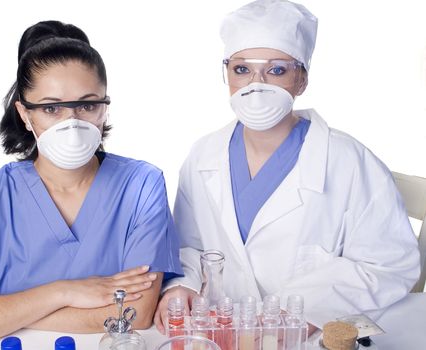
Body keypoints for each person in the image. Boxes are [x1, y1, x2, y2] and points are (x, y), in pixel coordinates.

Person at [154, 0, 420, 334]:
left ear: (302, 80)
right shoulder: (202, 155)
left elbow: (389, 264)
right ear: (227, 75)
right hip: (222, 328)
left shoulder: (349, 161)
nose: (256, 84)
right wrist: (184, 286)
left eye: (276, 70)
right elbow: (188, 246)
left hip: (309, 332)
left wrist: (303, 309)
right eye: (242, 69)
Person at [0, 20, 182, 349]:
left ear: (105, 107)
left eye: (88, 105)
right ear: (24, 113)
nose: (72, 124)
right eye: (51, 108)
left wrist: (1, 313)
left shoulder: (140, 186)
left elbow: (135, 313)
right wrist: (63, 291)